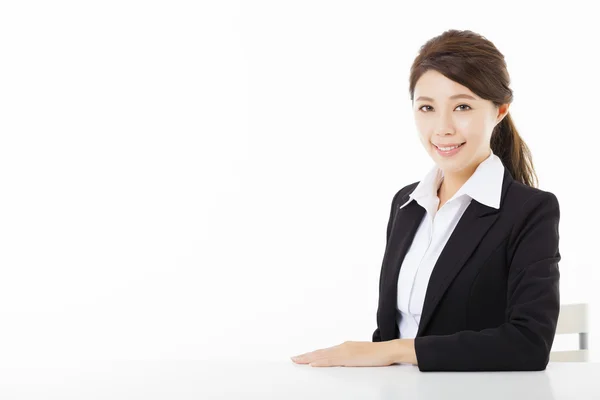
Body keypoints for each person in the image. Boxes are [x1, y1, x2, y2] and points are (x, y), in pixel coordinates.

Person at [290, 29, 561, 371]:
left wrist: (394, 351)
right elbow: (391, 328)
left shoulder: (529, 210)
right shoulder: (406, 202)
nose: (442, 127)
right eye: (427, 108)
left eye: (462, 106)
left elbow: (529, 344)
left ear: (500, 110)